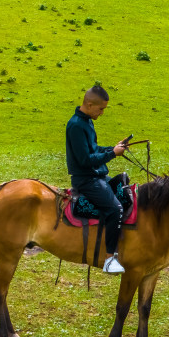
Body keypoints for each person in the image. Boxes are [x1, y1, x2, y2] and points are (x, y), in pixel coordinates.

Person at [65, 86, 128, 274]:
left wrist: (112, 148)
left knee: (124, 189)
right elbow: (85, 160)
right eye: (100, 109)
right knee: (115, 209)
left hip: (95, 175)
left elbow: (92, 149)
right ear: (90, 104)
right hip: (86, 179)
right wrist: (112, 154)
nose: (101, 113)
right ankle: (110, 259)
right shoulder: (76, 125)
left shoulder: (87, 122)